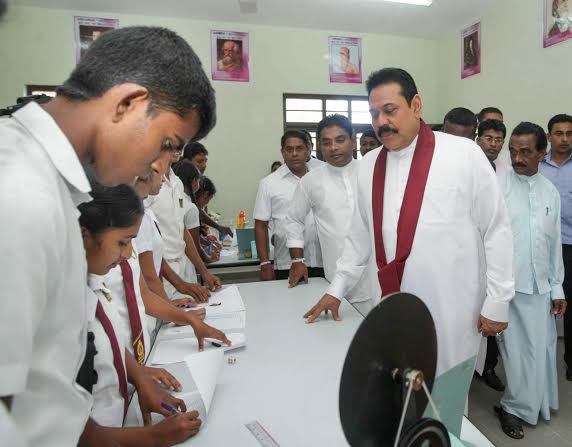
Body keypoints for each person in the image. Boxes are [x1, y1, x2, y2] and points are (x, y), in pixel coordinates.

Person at [0, 25, 215, 447]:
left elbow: (43, 383)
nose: (161, 162)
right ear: (128, 104)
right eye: (169, 143)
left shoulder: (55, 184)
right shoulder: (18, 190)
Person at [304, 68, 514, 377]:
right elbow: (359, 236)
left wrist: (498, 301)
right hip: (389, 301)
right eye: (374, 114)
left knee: (446, 398)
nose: (381, 122)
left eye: (390, 110)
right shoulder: (369, 166)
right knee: (398, 388)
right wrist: (337, 289)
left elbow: (496, 229)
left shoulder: (463, 154)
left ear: (416, 105)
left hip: (450, 303)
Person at [79, 182, 205, 446]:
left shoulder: (92, 282)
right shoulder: (61, 305)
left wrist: (139, 376)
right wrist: (152, 437)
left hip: (121, 419)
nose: (127, 255)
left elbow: (109, 339)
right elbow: (66, 429)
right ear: (84, 235)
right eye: (122, 243)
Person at [495, 122, 566, 439]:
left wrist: (557, 288)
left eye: (526, 151)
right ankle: (512, 407)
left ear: (542, 152)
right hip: (508, 287)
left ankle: (539, 404)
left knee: (542, 349)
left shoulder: (550, 190)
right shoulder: (499, 187)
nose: (517, 157)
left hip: (540, 288)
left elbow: (554, 246)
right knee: (515, 353)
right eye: (513, 150)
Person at [286, 115, 373, 316]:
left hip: (375, 277)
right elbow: (293, 219)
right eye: (327, 142)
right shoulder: (310, 181)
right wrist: (298, 261)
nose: (333, 147)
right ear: (319, 147)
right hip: (336, 280)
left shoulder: (370, 172)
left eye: (340, 140)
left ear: (352, 141)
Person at [148, 142, 222, 296]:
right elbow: (145, 247)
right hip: (163, 274)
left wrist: (204, 272)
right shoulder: (149, 183)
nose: (178, 146)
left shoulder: (176, 182)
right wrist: (179, 284)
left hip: (184, 268)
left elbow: (182, 231)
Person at [254, 130, 323, 281]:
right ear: (282, 152)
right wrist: (265, 263)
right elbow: (260, 225)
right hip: (287, 263)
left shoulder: (321, 178)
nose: (294, 153)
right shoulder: (269, 183)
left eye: (299, 148)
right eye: (289, 149)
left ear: (308, 150)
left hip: (322, 259)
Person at [539, 113, 572, 381]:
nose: (564, 138)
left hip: (571, 245)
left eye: (569, 133)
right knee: (541, 304)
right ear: (549, 136)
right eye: (558, 133)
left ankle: (571, 361)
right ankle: (540, 361)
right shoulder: (537, 165)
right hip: (543, 247)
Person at [181, 142, 233, 237]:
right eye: (200, 161)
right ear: (187, 161)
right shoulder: (179, 183)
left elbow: (197, 209)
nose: (204, 165)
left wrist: (217, 227)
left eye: (205, 161)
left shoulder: (193, 184)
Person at [174, 160, 219, 263]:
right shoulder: (191, 208)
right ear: (194, 181)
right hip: (186, 263)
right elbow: (195, 246)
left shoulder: (177, 200)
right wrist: (209, 259)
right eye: (198, 181)